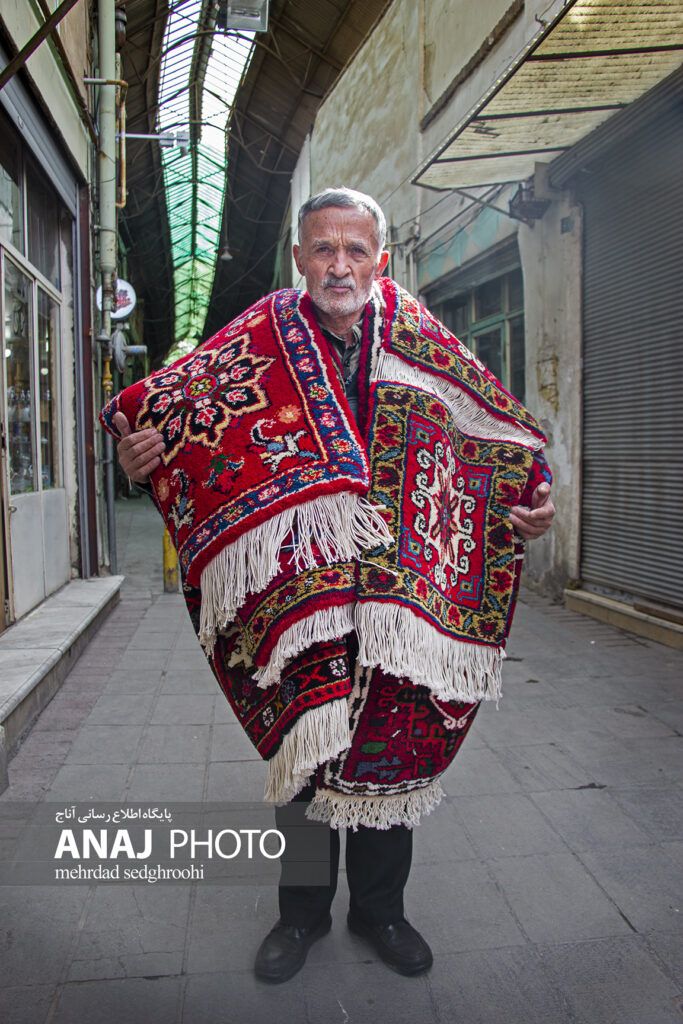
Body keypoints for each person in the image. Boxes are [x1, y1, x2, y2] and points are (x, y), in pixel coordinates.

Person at [113, 187, 554, 983]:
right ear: (299, 258)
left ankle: (380, 912)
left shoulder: (421, 336)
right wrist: (140, 463)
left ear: (379, 258)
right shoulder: (258, 336)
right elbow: (181, 426)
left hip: (403, 598)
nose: (339, 265)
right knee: (305, 751)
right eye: (323, 248)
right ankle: (301, 915)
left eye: (355, 249)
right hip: (299, 595)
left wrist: (526, 506)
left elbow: (496, 436)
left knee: (394, 747)